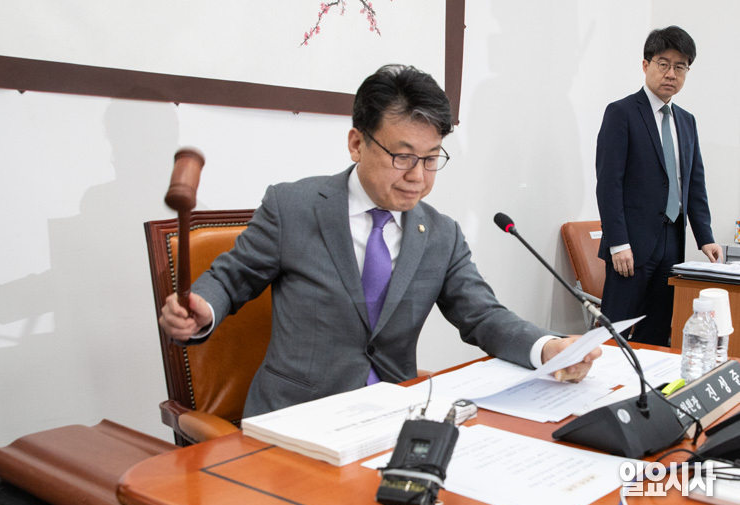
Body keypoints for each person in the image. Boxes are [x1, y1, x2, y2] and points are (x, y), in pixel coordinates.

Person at [160, 64, 600, 418]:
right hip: (296, 420)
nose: (417, 177)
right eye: (402, 156)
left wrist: (547, 348)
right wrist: (203, 309)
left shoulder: (441, 234)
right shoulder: (292, 207)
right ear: (357, 143)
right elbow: (231, 278)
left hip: (392, 417)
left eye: (431, 159)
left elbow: (483, 315)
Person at [596, 26, 722, 347]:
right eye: (663, 64)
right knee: (615, 334)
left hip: (672, 241)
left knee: (656, 333)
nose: (671, 74)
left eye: (680, 67)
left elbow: (694, 183)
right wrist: (618, 243)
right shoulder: (621, 113)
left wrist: (705, 237)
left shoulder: (686, 121)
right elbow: (609, 184)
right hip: (630, 245)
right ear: (645, 65)